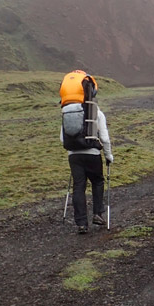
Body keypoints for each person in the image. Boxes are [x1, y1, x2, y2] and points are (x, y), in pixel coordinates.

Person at [61, 82, 113, 234]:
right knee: (97, 182)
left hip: (74, 156)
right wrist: (108, 155)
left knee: (79, 187)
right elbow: (104, 137)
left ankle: (81, 224)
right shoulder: (96, 112)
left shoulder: (67, 113)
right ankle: (97, 214)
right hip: (92, 154)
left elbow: (62, 139)